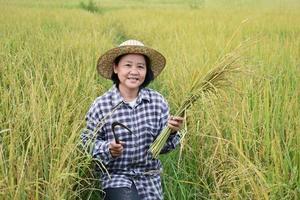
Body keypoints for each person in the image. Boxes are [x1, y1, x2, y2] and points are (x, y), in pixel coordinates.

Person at [81, 39, 184, 200]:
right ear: (116, 68)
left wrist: (171, 132)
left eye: (140, 66)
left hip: (149, 177)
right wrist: (108, 149)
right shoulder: (101, 105)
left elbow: (164, 148)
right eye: (128, 65)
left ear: (146, 71)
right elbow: (86, 143)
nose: (134, 71)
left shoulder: (157, 102)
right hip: (115, 177)